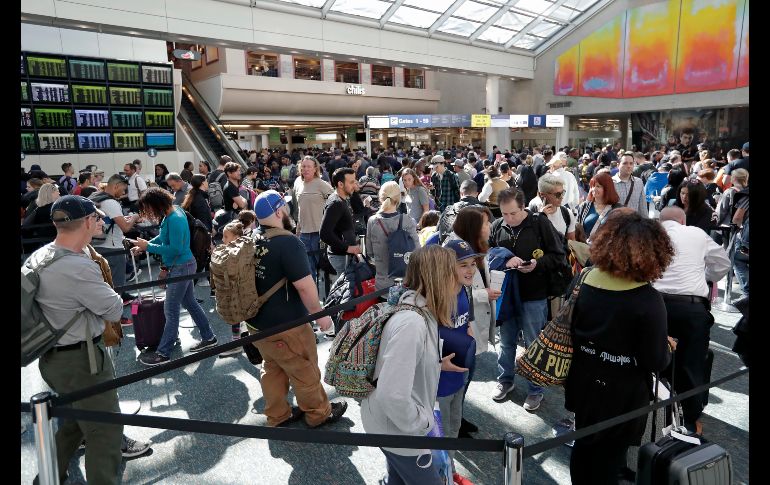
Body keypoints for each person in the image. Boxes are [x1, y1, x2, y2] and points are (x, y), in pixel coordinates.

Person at [566, 210, 675, 484]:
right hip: (622, 395)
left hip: (583, 381)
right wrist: (668, 347)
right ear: (654, 254)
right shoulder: (648, 300)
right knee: (611, 458)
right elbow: (655, 360)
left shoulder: (584, 279)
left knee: (583, 445)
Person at [26, 195, 125, 485]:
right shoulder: (78, 267)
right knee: (105, 430)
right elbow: (114, 309)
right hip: (83, 362)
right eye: (97, 217)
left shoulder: (42, 255)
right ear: (86, 222)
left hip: (54, 358)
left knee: (73, 422)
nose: (101, 221)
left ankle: (48, 476)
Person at [246, 190, 348, 427]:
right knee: (304, 369)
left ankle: (277, 414)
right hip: (288, 324)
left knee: (271, 368)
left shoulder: (251, 238)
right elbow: (304, 286)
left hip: (255, 324)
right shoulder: (288, 242)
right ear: (279, 211)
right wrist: (320, 316)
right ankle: (318, 413)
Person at [361, 245, 461, 485]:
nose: (458, 283)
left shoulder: (419, 310)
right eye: (453, 275)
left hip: (391, 426)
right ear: (439, 279)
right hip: (400, 432)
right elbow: (392, 395)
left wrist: (436, 365)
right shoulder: (412, 323)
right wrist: (423, 423)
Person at [653, 206, 730, 435]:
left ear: (660, 220)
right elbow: (723, 264)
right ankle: (690, 421)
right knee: (692, 365)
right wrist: (705, 277)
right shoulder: (696, 233)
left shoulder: (650, 234)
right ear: (683, 220)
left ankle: (654, 417)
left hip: (654, 306)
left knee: (654, 362)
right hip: (691, 307)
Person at [488, 188, 566, 410]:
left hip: (534, 294)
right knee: (506, 341)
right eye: (504, 214)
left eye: (513, 213)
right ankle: (505, 380)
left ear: (523, 207)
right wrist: (505, 258)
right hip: (507, 295)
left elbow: (558, 257)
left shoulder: (539, 223)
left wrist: (536, 265)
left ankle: (535, 389)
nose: (509, 219)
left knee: (533, 343)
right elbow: (489, 253)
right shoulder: (497, 226)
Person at [132, 188, 218, 366]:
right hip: (182, 265)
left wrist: (147, 247)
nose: (148, 213)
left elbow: (175, 249)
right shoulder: (172, 212)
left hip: (182, 266)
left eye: (148, 209)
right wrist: (145, 245)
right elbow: (164, 238)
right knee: (190, 304)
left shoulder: (175, 218)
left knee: (171, 310)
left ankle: (163, 353)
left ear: (156, 204)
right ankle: (209, 337)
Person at [89, 175, 138, 301]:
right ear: (115, 186)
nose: (124, 192)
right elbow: (126, 228)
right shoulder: (111, 202)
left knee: (104, 283)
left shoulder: (95, 197)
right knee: (116, 285)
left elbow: (110, 220)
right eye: (123, 189)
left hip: (95, 245)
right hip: (113, 248)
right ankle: (118, 317)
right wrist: (134, 217)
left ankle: (120, 300)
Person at [365, 181, 420, 292]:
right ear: (398, 198)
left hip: (382, 285)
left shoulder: (372, 221)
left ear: (381, 198)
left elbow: (370, 253)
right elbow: (418, 251)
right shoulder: (407, 220)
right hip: (406, 284)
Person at [293, 156, 334, 282]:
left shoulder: (323, 185)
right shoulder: (297, 183)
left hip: (320, 234)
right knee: (308, 271)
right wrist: (298, 229)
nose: (305, 169)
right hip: (304, 234)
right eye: (303, 166)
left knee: (325, 268)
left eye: (309, 166)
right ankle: (312, 298)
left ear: (315, 168)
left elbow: (335, 204)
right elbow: (299, 208)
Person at [320, 167, 361, 275]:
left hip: (343, 255)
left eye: (355, 181)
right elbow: (324, 233)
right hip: (341, 257)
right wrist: (347, 248)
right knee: (343, 290)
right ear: (340, 184)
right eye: (351, 182)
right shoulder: (336, 203)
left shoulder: (341, 199)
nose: (354, 185)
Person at [575, 172, 623, 243]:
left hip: (607, 251)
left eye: (598, 186)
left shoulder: (617, 209)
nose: (594, 189)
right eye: (592, 186)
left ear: (607, 188)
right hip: (586, 250)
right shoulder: (584, 206)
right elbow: (577, 229)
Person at [22, 182, 61, 253]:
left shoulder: (38, 208)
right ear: (51, 193)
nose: (59, 193)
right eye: (57, 191)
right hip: (54, 240)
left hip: (42, 240)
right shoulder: (55, 208)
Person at [613, 153, 648, 218]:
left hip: (634, 224)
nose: (629, 166)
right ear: (618, 165)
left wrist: (646, 224)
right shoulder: (611, 183)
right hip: (616, 224)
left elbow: (642, 207)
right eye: (625, 163)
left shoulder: (638, 182)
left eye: (631, 163)